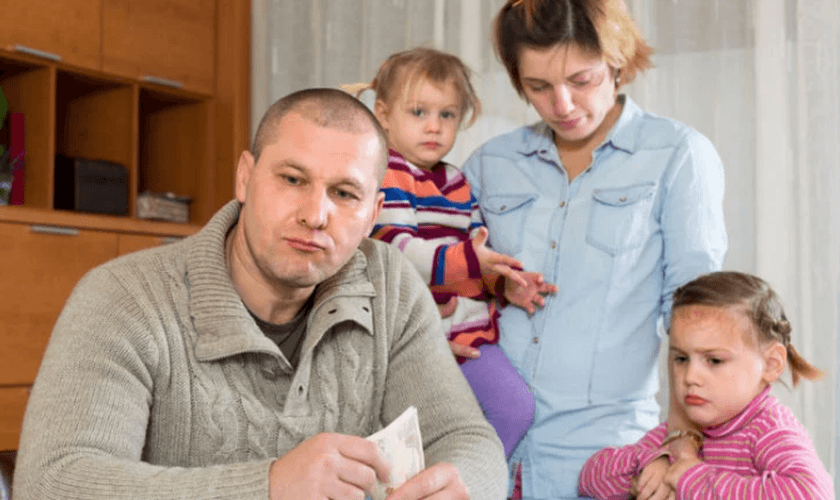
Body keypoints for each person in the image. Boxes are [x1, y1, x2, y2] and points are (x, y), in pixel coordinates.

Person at [12, 88, 508, 500]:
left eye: (344, 193)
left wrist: (462, 484)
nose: (315, 214)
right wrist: (267, 486)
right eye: (293, 180)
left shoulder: (392, 285)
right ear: (246, 178)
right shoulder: (122, 297)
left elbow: (466, 438)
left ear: (373, 212)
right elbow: (54, 482)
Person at [461, 0, 728, 498]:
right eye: (538, 87)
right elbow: (444, 283)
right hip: (481, 457)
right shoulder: (488, 164)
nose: (561, 104)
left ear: (616, 62)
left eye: (580, 81)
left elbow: (696, 315)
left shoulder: (677, 156)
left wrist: (683, 441)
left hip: (603, 463)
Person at [356, 47, 557, 459]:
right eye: (418, 113)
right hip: (409, 337)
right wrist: (468, 262)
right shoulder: (385, 173)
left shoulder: (456, 180)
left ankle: (468, 482)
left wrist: (502, 283)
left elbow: (477, 250)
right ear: (383, 114)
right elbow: (394, 250)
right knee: (409, 437)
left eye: (447, 115)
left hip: (465, 332)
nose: (434, 127)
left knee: (513, 408)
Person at [578, 271, 832, 499]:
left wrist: (692, 478)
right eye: (681, 358)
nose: (690, 376)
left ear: (771, 364)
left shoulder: (769, 431)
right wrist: (654, 464)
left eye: (714, 360)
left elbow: (809, 493)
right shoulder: (681, 434)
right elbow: (590, 479)